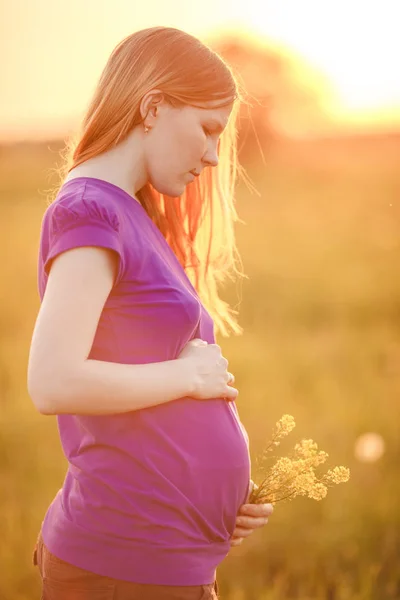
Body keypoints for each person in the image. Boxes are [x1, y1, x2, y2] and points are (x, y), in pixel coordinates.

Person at [27, 26, 273, 600]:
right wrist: (187, 375)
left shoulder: (129, 213)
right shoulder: (90, 212)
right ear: (153, 106)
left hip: (158, 556)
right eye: (209, 129)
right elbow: (52, 381)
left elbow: (137, 397)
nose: (214, 156)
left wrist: (212, 501)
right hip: (124, 564)